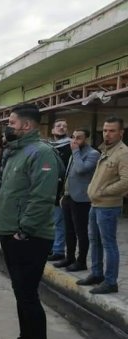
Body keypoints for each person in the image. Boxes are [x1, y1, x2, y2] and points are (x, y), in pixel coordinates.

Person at [0, 103, 59, 339]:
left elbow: (42, 197)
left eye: (12, 122)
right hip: (12, 232)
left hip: (29, 236)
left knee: (28, 295)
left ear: (27, 125)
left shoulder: (41, 152)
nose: (8, 127)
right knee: (20, 292)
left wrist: (25, 230)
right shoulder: (17, 151)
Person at [77, 116, 128, 294]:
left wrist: (102, 191)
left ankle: (111, 281)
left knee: (108, 244)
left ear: (121, 133)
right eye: (105, 130)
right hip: (96, 204)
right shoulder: (106, 150)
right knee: (95, 241)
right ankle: (97, 274)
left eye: (112, 130)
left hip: (108, 205)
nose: (107, 134)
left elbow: (126, 181)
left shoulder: (123, 153)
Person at [53, 129, 99, 272]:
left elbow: (80, 169)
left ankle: (81, 261)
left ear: (86, 139)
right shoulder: (75, 152)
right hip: (68, 197)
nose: (75, 140)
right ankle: (70, 257)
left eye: (79, 138)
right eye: (73, 137)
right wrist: (63, 194)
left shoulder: (92, 154)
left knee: (81, 232)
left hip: (81, 199)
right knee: (69, 231)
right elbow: (68, 173)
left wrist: (75, 151)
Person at [47, 118, 72, 262]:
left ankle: (58, 250)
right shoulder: (49, 147)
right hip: (48, 189)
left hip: (61, 190)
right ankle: (51, 247)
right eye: (58, 125)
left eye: (64, 126)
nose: (62, 128)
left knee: (59, 222)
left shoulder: (70, 147)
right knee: (50, 222)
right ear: (52, 130)